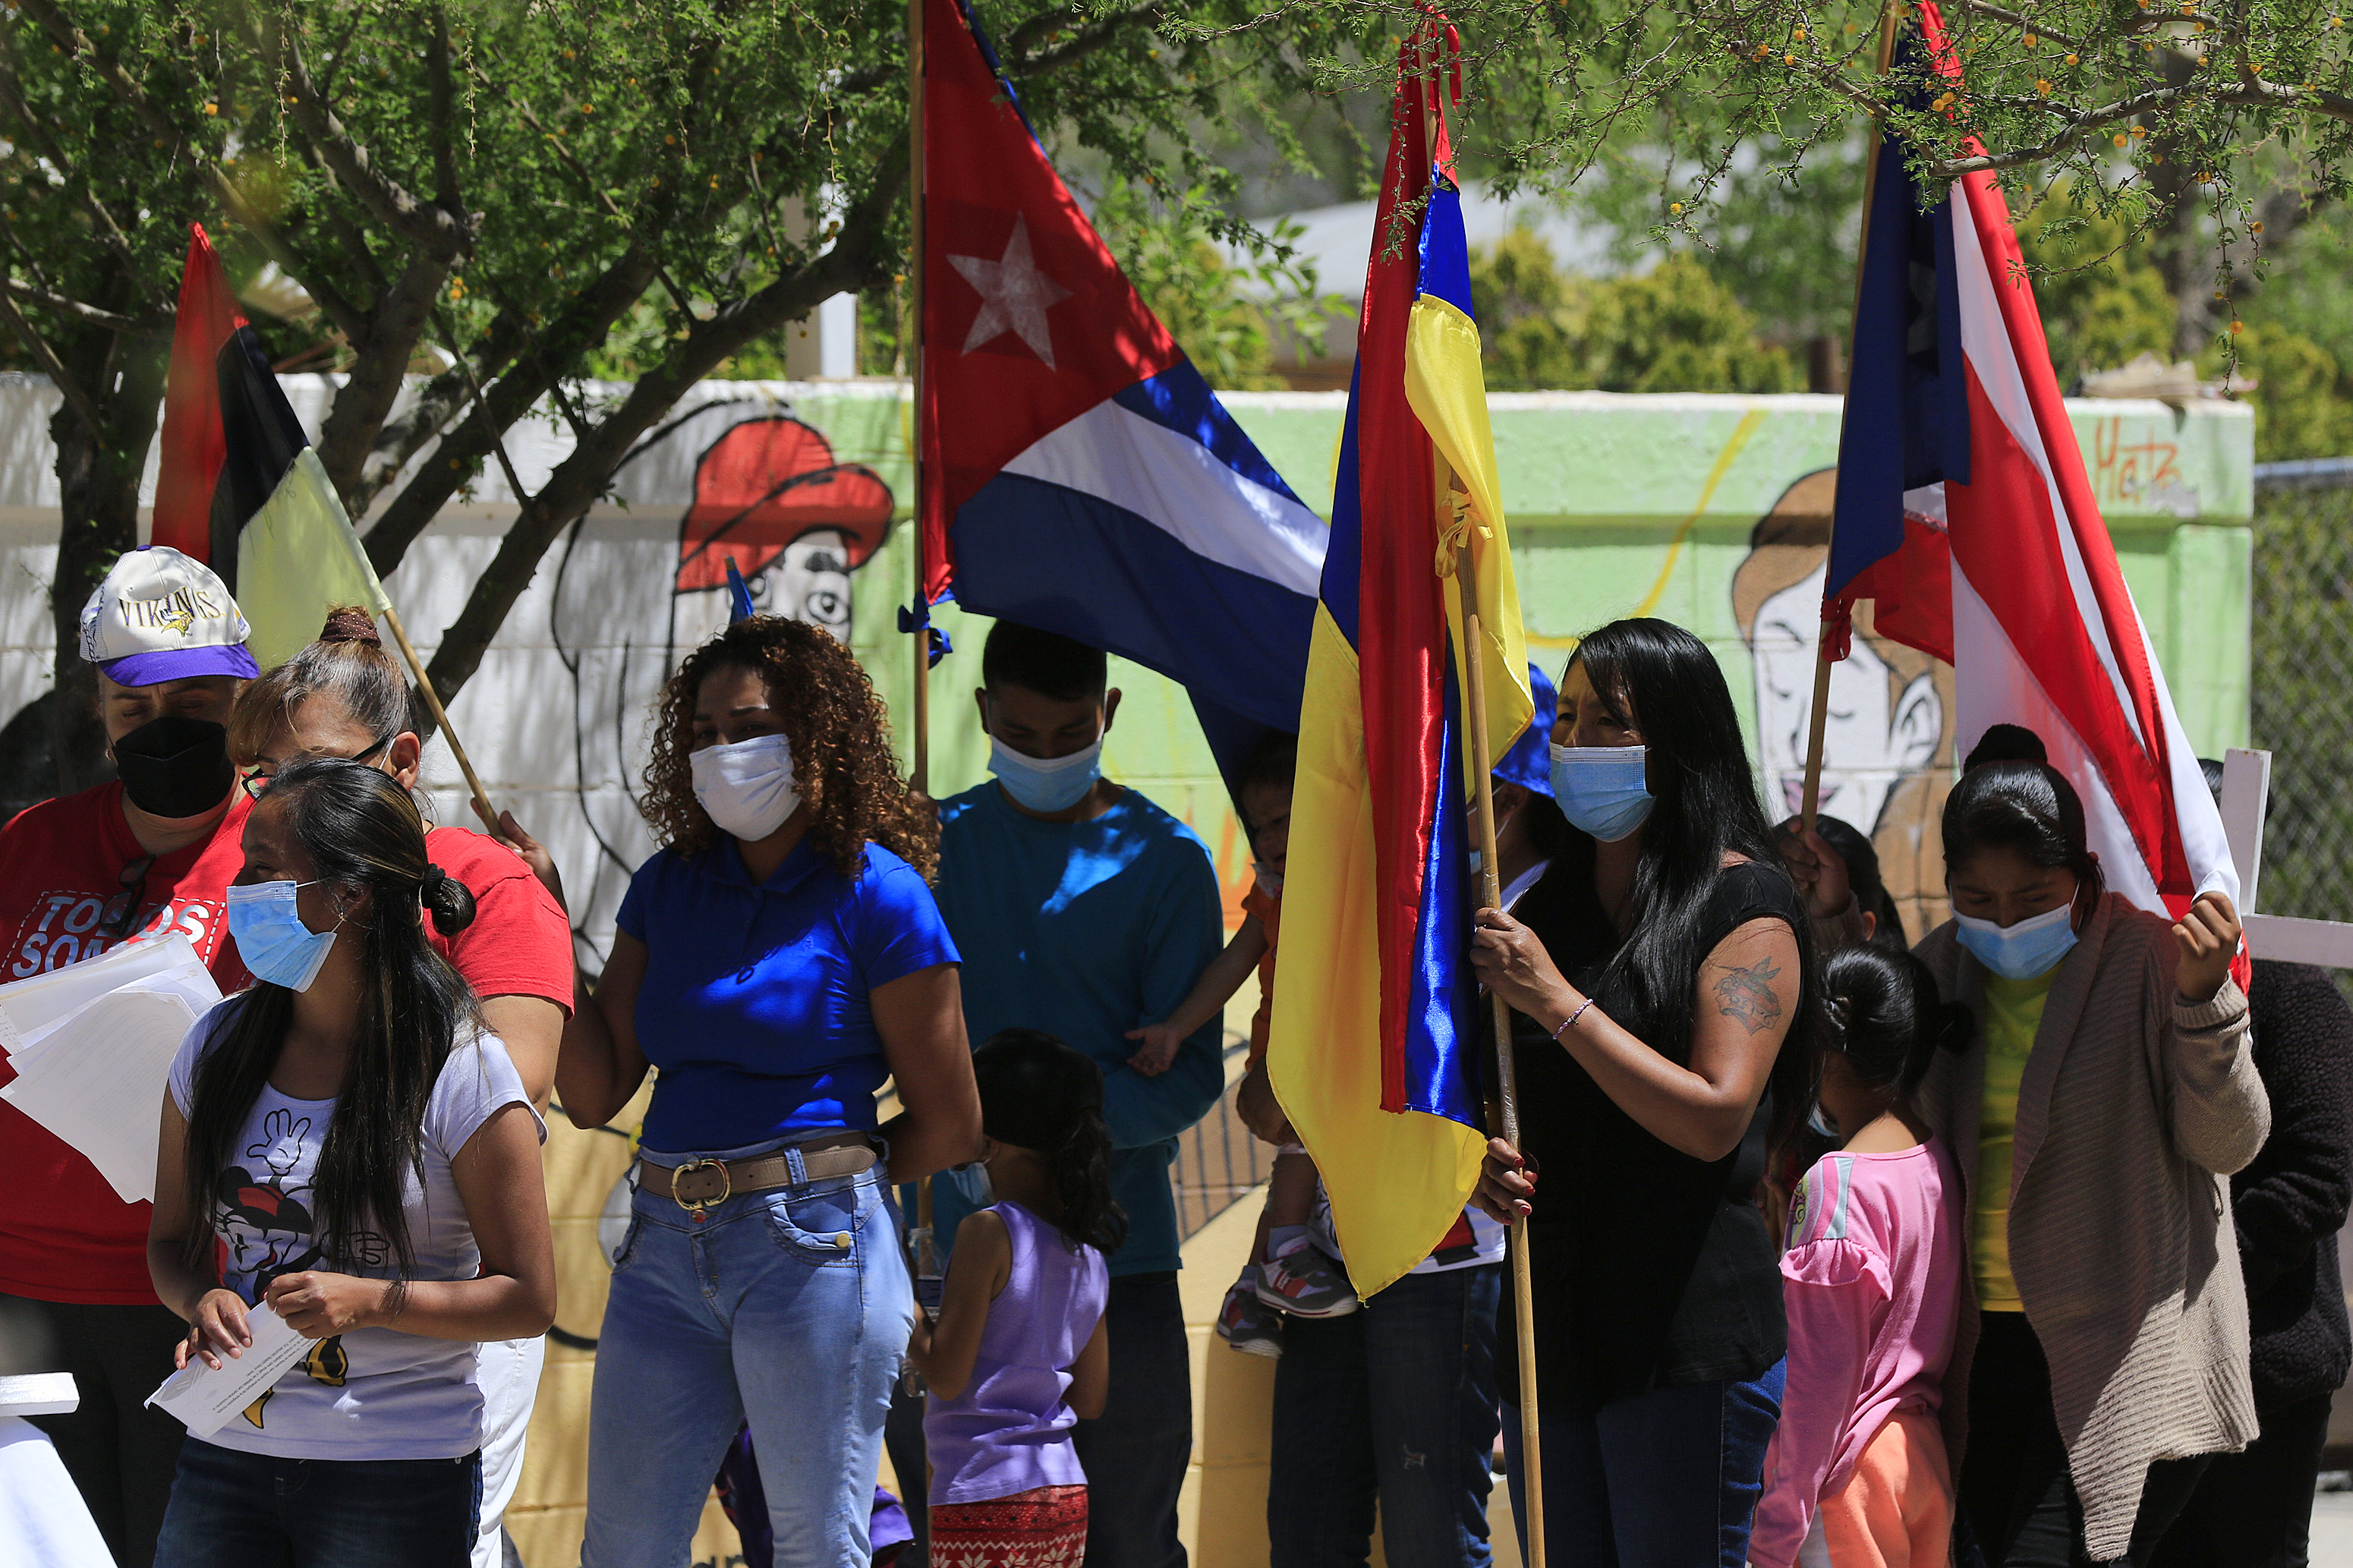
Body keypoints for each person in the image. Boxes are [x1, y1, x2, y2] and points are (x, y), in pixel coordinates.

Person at [555, 615, 979, 1567]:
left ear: (818, 737)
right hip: (662, 1248)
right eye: (702, 733)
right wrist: (543, 916)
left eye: (746, 727)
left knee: (816, 1548)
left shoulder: (883, 893)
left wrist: (826, 1177)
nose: (720, 752)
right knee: (620, 1550)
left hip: (814, 1250)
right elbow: (591, 1092)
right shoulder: (666, 886)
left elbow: (953, 1122)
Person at [1466, 617, 1822, 1568]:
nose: (1573, 745)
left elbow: (1713, 1115)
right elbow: (1492, 1102)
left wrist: (1556, 1000)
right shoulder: (1538, 912)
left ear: (1676, 742)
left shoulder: (1743, 905)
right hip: (1553, 1336)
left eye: (1606, 723)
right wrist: (1480, 1165)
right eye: (1566, 718)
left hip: (1683, 1338)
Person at [225, 606, 575, 1568]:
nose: (288, 800)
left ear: (403, 760)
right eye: (265, 776)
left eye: (321, 769)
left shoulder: (486, 881)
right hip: (275, 1318)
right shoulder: (258, 890)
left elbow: (515, 1083)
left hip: (438, 1332)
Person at [146, 758, 555, 1567]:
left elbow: (528, 1298)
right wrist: (205, 1297)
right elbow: (169, 1245)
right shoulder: (218, 1042)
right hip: (227, 1453)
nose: (241, 889)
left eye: (264, 869)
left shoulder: (461, 1065)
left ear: (350, 893)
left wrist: (371, 1300)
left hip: (396, 1474)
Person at [1912, 756, 2264, 1566]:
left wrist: (2207, 1008)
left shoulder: (2152, 961)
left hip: (2125, 1347)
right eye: (1975, 899)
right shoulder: (1937, 969)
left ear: (2085, 875)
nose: (2002, 922)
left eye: (2032, 900)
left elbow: (2231, 1141)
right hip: (1978, 1349)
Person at [931, 621, 1225, 1568]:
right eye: (1020, 735)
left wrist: (1043, 1143)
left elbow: (1186, 1079)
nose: (1044, 755)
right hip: (948, 1255)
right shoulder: (926, 846)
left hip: (1121, 1262)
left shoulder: (1167, 860)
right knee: (959, 1539)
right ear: (983, 713)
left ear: (1109, 713)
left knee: (1130, 1538)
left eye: (1069, 735)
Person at [1254, 663, 1558, 1568]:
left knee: (1430, 1524)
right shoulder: (1381, 898)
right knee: (1308, 1520)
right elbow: (1270, 1108)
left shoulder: (1546, 916)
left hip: (1445, 1253)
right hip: (1337, 1249)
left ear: (1501, 788)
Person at [0, 546, 260, 1568]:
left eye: (196, 698)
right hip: (21, 1300)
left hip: (191, 1298)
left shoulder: (283, 853)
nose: (165, 728)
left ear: (242, 695)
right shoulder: (28, 845)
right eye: (134, 708)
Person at [2149, 764, 2353, 1568]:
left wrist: (2200, 1281)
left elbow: (2318, 1176)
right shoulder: (2132, 989)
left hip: (2265, 1361)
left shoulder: (2297, 998)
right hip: (2150, 1367)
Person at [1125, 732, 1353, 1345]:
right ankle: (1281, 1260)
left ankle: (1246, 1294)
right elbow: (1233, 963)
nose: (1272, 840)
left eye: (1283, 822)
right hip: (1287, 1060)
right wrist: (1176, 1027)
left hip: (1323, 1058)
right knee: (1306, 1139)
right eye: (1260, 828)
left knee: (1306, 1160)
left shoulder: (1348, 881)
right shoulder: (1276, 893)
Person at [1750, 946, 1970, 1568]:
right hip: (1916, 1463)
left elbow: (1817, 1392)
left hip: (1845, 1481)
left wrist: (1771, 1539)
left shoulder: (1837, 1186)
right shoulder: (1936, 1160)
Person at [912, 1029, 1117, 1566]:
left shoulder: (988, 1232)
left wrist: (895, 1290)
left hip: (981, 1495)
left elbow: (946, 1374)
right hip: (1063, 1494)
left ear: (985, 1140)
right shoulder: (1088, 1253)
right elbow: (1090, 1399)